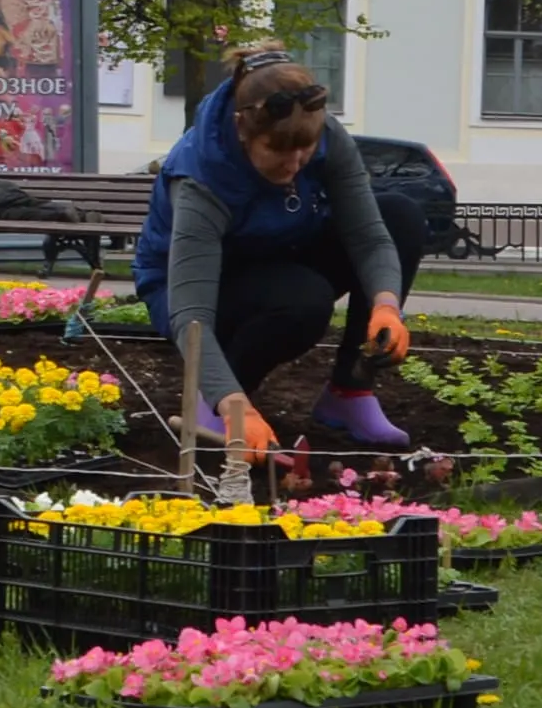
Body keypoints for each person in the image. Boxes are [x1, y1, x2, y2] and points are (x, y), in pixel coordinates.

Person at [132, 50, 442, 466]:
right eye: (277, 151)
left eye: (305, 149)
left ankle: (349, 392)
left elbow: (369, 236)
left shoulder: (328, 137)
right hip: (192, 285)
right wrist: (232, 404)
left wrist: (385, 305)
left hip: (280, 253)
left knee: (400, 215)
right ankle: (218, 403)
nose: (294, 163)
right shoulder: (200, 177)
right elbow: (192, 318)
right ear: (243, 129)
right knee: (303, 301)